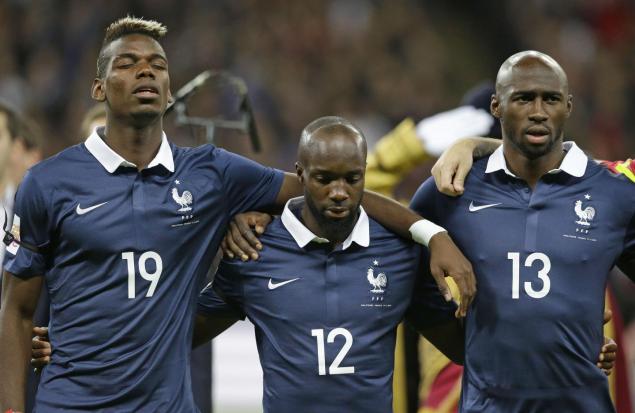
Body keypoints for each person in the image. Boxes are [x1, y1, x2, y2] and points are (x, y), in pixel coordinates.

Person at [0, 16, 475, 413]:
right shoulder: (47, 184)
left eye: (157, 66)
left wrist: (430, 232)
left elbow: (326, 189)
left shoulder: (209, 173)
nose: (145, 72)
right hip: (70, 403)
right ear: (99, 87)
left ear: (169, 94)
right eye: (128, 64)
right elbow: (17, 311)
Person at [411, 50, 635, 412]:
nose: (538, 111)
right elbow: (400, 263)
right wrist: (459, 343)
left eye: (550, 99)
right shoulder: (453, 188)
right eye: (523, 98)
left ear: (569, 106)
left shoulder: (615, 192)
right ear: (497, 107)